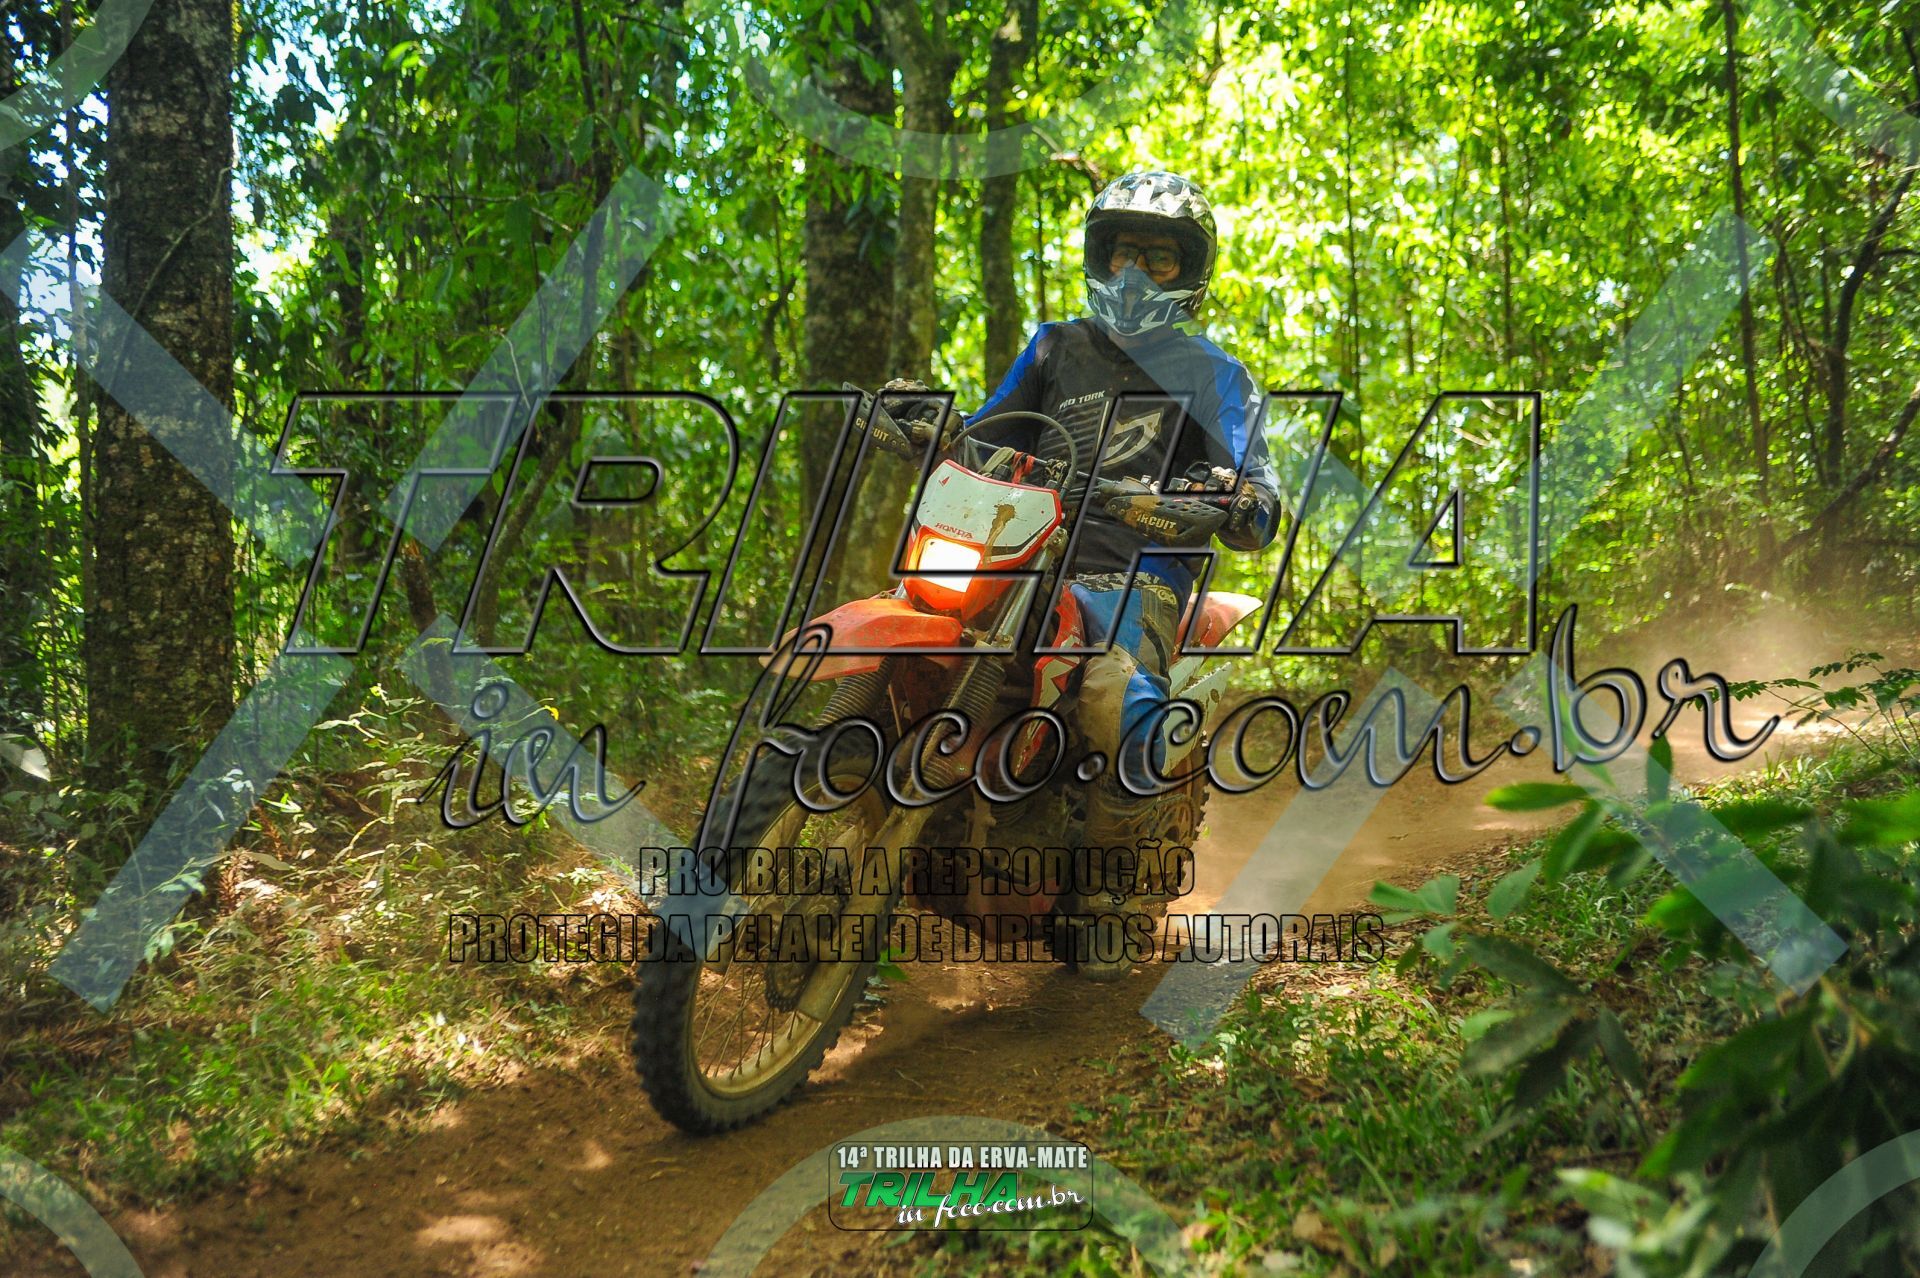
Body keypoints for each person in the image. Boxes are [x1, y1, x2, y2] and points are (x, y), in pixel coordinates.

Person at [957, 169, 1282, 977]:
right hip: (1023, 554)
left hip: (1138, 571)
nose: (1135, 272)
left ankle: (1107, 890)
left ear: (1189, 270)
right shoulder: (1054, 347)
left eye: (1158, 257)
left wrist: (1239, 501)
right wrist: (928, 429)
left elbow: (1256, 488)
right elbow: (985, 432)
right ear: (1099, 256)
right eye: (1123, 252)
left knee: (1113, 695)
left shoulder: (1215, 375)